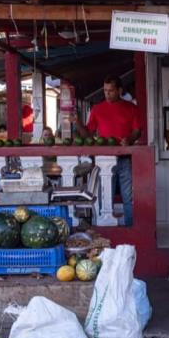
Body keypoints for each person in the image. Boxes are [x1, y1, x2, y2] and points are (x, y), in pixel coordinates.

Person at [71, 76, 141, 226]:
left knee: (128, 196)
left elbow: (137, 131)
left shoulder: (131, 108)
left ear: (119, 90)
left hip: (125, 158)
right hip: (103, 160)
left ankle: (130, 227)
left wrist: (129, 139)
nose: (107, 94)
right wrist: (77, 123)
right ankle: (105, 226)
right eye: (105, 90)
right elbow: (88, 134)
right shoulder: (97, 109)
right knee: (104, 195)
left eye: (111, 91)